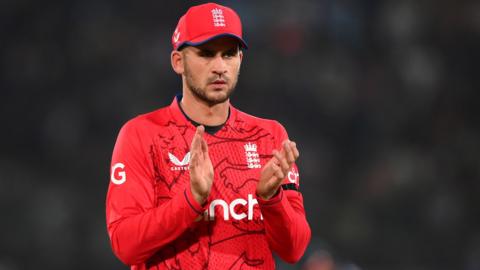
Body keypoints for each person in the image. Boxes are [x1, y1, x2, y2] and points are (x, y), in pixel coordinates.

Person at [106, 2, 311, 269]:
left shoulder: (269, 136)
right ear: (178, 62)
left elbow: (294, 249)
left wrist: (272, 199)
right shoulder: (142, 135)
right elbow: (126, 245)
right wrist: (191, 201)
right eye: (206, 54)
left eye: (229, 54)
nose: (219, 67)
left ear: (240, 59)